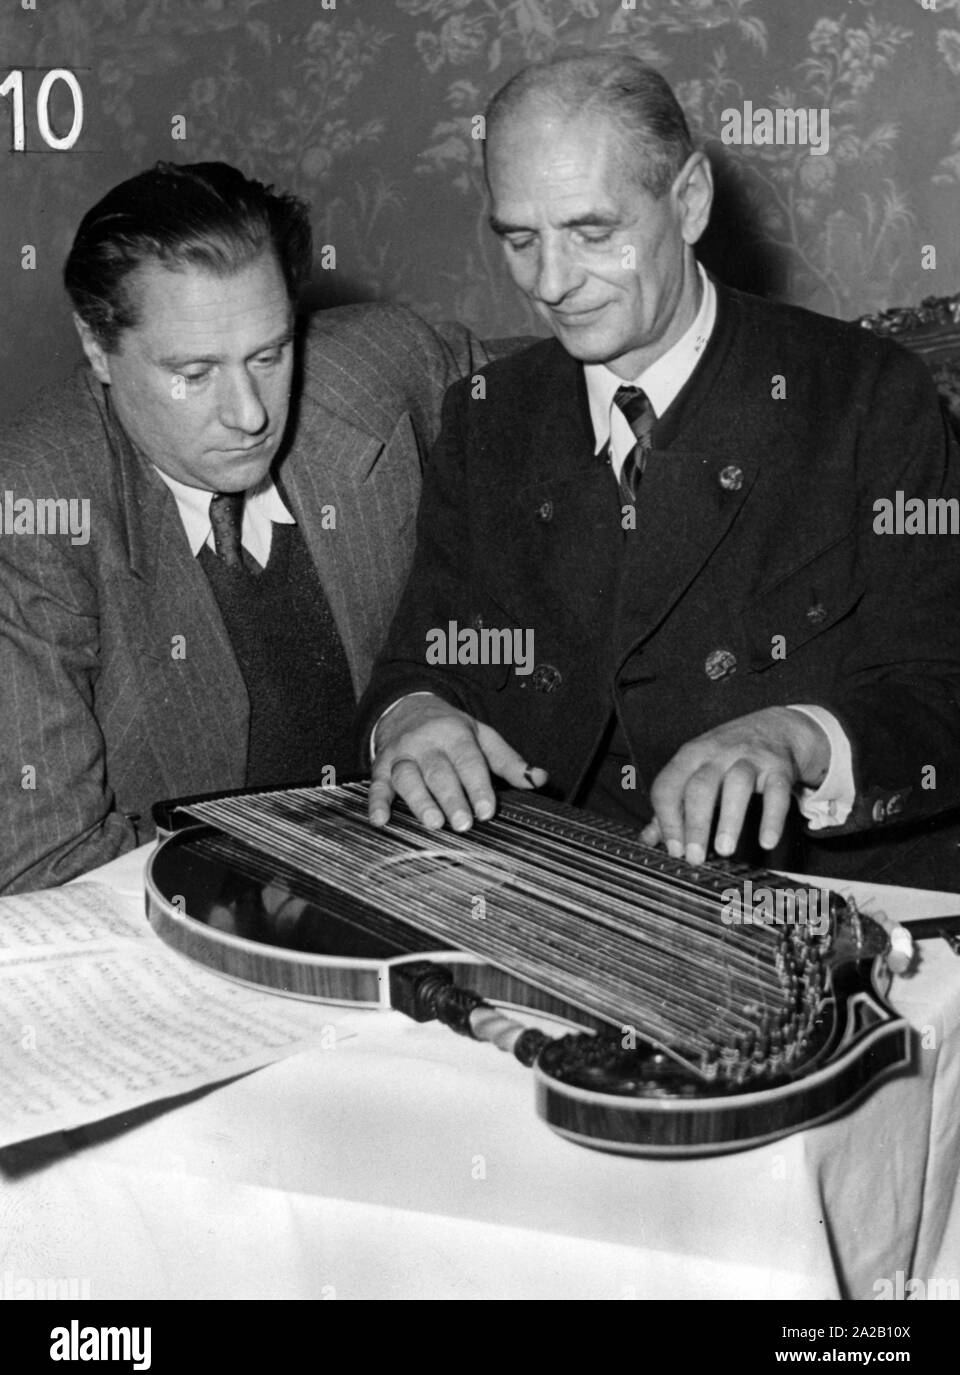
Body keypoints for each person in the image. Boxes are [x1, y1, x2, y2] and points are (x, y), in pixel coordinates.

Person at [361, 53, 960, 889]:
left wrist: (797, 736)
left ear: (688, 202)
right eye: (520, 240)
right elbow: (424, 658)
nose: (552, 284)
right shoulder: (487, 414)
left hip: (820, 890)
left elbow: (940, 691)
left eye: (592, 233)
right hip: (567, 894)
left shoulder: (865, 398)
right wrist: (413, 716)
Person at [0, 161, 489, 894]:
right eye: (194, 373)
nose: (251, 414)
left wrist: (435, 693)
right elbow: (47, 865)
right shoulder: (38, 507)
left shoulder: (385, 366)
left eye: (269, 354)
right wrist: (308, 886)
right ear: (98, 348)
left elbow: (564, 422)